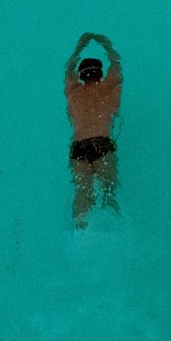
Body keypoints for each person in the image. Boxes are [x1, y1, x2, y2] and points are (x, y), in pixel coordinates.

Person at [64, 32, 122, 223]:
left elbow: (68, 68)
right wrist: (106, 44)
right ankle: (112, 228)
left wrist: (80, 46)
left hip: (78, 147)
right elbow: (117, 64)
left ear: (81, 76)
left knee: (82, 196)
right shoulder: (109, 88)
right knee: (108, 193)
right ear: (100, 74)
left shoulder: (73, 92)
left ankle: (79, 232)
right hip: (102, 145)